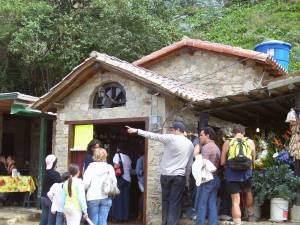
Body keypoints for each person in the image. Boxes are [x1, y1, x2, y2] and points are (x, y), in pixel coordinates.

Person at [127, 121, 194, 225]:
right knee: (175, 203)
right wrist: (186, 180)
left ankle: (164, 222)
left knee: (165, 200)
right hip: (179, 177)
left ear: (177, 130)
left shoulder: (171, 138)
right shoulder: (190, 144)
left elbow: (153, 136)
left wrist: (136, 131)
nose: (171, 131)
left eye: (172, 130)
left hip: (166, 175)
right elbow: (189, 165)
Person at [221, 124, 256, 225]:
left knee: (235, 200)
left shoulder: (228, 142)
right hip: (246, 173)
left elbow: (222, 162)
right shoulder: (250, 142)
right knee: (248, 192)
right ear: (244, 133)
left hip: (232, 174)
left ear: (233, 133)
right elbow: (253, 160)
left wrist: (228, 166)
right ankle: (250, 216)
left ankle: (237, 222)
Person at [83, 148, 116, 225]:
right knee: (103, 221)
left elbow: (86, 183)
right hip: (106, 196)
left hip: (92, 196)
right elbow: (114, 182)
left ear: (94, 156)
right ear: (105, 156)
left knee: (93, 221)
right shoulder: (109, 167)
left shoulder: (91, 167)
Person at [195, 127, 221, 225]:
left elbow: (203, 164)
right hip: (216, 178)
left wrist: (196, 154)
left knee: (201, 204)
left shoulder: (206, 147)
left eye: (201, 135)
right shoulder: (216, 147)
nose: (199, 137)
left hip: (207, 179)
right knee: (212, 204)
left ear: (207, 135)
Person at [111, 145, 132, 223]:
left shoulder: (117, 156)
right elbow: (129, 169)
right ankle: (125, 217)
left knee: (118, 199)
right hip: (128, 179)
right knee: (125, 198)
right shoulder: (128, 157)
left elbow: (115, 166)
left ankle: (118, 218)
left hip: (120, 179)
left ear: (118, 149)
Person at [40, 154, 61, 225]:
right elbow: (59, 186)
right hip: (50, 198)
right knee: (51, 220)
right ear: (54, 163)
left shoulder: (46, 172)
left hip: (43, 197)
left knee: (44, 218)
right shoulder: (55, 174)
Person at [135, 153, 144, 221]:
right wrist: (144, 171)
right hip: (142, 181)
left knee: (143, 197)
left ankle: (141, 214)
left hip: (145, 180)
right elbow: (137, 171)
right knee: (143, 196)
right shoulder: (140, 159)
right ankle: (140, 214)